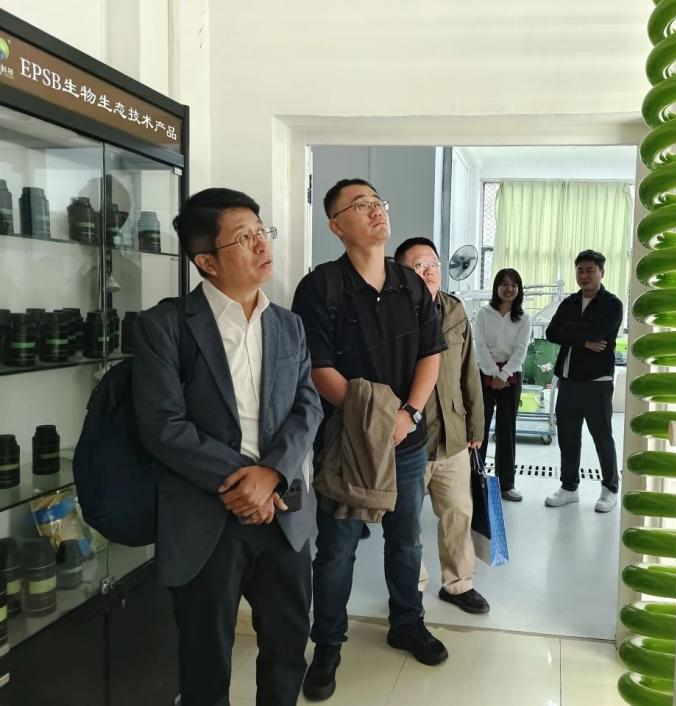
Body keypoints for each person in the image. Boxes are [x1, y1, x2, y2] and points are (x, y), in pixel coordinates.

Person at [133, 188, 322, 706]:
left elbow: (308, 407)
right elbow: (163, 426)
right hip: (205, 515)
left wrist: (271, 475)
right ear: (207, 262)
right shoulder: (164, 326)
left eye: (263, 232)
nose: (262, 244)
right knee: (205, 660)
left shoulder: (288, 325)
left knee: (287, 649)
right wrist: (245, 481)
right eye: (244, 237)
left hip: (284, 513)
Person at [291, 179, 447, 702]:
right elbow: (319, 369)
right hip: (348, 443)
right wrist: (376, 421)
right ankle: (328, 643)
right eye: (361, 205)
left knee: (407, 540)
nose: (376, 210)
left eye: (378, 202)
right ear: (336, 225)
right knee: (336, 550)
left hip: (407, 441)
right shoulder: (321, 288)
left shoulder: (411, 285)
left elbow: (431, 355)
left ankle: (407, 622)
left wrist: (408, 414)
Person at [394, 237, 489, 615]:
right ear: (401, 272)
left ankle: (459, 583)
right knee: (405, 521)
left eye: (432, 263)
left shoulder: (454, 310)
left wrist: (477, 427)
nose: (429, 271)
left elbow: (469, 372)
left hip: (453, 435)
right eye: (418, 265)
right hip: (408, 440)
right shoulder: (388, 314)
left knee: (458, 513)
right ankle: (411, 584)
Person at [544, 250, 624, 513]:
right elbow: (552, 332)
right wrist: (583, 340)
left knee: (602, 436)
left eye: (590, 270)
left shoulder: (612, 304)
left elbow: (598, 331)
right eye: (580, 270)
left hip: (596, 382)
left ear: (602, 273)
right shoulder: (569, 302)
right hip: (568, 380)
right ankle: (569, 487)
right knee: (568, 437)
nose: (584, 275)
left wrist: (572, 333)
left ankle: (610, 489)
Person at [474, 268, 531, 502]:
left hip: (511, 377)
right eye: (504, 284)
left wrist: (504, 375)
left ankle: (506, 484)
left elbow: (521, 350)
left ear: (519, 289)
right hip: (484, 374)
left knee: (507, 430)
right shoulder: (483, 314)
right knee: (479, 429)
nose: (509, 289)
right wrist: (493, 373)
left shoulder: (524, 318)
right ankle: (475, 482)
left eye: (514, 285)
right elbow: (480, 346)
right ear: (497, 287)